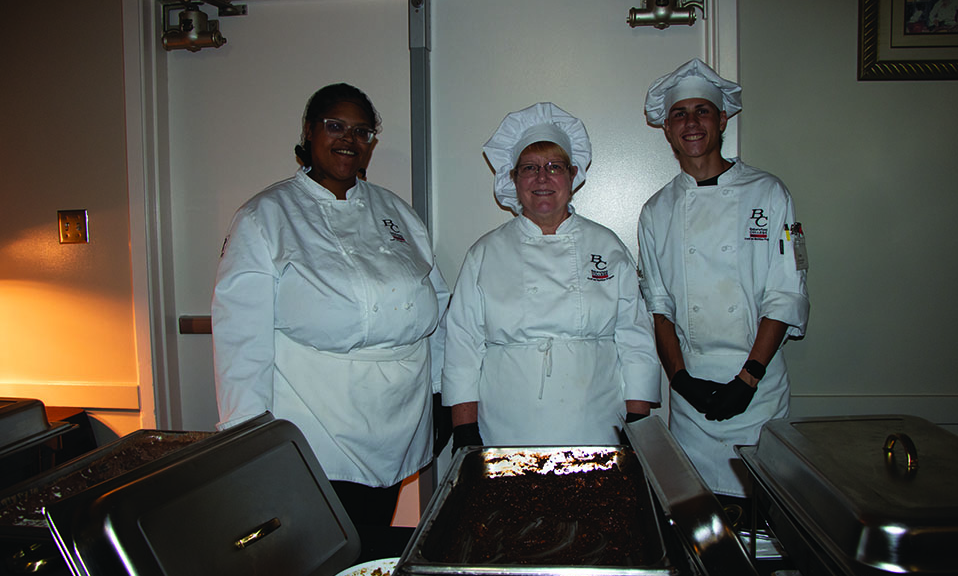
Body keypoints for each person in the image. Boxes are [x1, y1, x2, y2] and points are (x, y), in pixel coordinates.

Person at [211, 83, 450, 525]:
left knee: (373, 541)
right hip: (315, 422)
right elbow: (241, 337)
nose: (349, 140)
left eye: (362, 132)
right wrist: (248, 438)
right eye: (335, 125)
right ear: (308, 130)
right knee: (323, 554)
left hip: (400, 417)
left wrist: (441, 394)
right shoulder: (265, 216)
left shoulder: (396, 211)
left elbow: (435, 305)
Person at [637, 59, 810, 498]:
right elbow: (659, 307)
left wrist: (748, 377)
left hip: (758, 388)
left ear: (723, 119)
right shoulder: (656, 211)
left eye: (702, 111)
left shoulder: (769, 193)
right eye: (680, 113)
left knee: (764, 517)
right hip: (692, 399)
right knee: (699, 522)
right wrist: (680, 381)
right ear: (667, 128)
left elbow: (785, 293)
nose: (691, 122)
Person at [444, 102, 661, 450]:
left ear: (573, 175)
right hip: (506, 426)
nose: (542, 178)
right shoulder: (485, 253)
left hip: (597, 422)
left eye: (554, 167)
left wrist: (637, 420)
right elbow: (462, 346)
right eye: (529, 168)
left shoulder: (607, 245)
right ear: (513, 178)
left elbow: (635, 337)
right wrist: (465, 429)